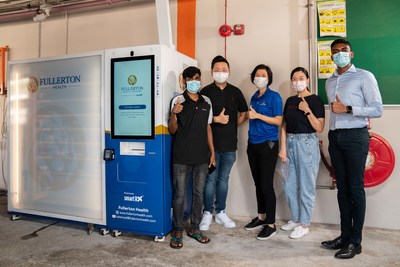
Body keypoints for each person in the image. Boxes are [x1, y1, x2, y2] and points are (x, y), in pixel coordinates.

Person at [321, 39, 383, 259]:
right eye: (335, 52)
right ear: (331, 56)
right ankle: (344, 236)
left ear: (351, 54)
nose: (340, 54)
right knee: (342, 189)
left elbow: (377, 109)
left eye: (343, 51)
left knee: (356, 189)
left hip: (356, 136)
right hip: (336, 137)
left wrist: (348, 109)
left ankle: (356, 242)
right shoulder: (329, 82)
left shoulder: (364, 76)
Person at [168, 66, 216, 249]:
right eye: (191, 79)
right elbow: (172, 130)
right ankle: (178, 230)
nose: (195, 81)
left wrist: (212, 152)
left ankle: (195, 228)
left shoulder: (207, 102)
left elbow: (208, 128)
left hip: (202, 157)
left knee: (198, 194)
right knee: (179, 195)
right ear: (185, 81)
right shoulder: (178, 100)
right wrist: (174, 113)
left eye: (198, 78)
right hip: (181, 156)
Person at [199, 55, 248, 231]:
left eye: (224, 70)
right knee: (210, 180)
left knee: (223, 180)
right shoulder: (204, 92)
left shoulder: (235, 92)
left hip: (229, 146)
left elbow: (244, 112)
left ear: (229, 71)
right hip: (210, 146)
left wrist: (234, 123)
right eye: (217, 70)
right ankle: (206, 213)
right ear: (212, 72)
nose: (221, 73)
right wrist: (215, 120)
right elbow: (199, 119)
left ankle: (220, 212)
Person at [279, 67, 325, 239]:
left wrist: (307, 110)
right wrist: (283, 147)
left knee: (306, 186)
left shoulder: (315, 100)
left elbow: (320, 127)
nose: (298, 81)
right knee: (288, 185)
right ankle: (296, 219)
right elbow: (284, 126)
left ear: (307, 80)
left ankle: (304, 224)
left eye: (301, 78)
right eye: (294, 79)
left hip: (307, 144)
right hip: (290, 142)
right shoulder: (290, 100)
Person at [244, 64, 283, 240]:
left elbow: (278, 121)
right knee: (258, 184)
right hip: (252, 145)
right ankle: (261, 217)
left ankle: (271, 224)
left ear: (268, 78)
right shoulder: (254, 97)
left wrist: (258, 116)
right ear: (253, 78)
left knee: (266, 185)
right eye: (257, 75)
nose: (260, 77)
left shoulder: (274, 97)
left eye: (263, 75)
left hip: (268, 144)